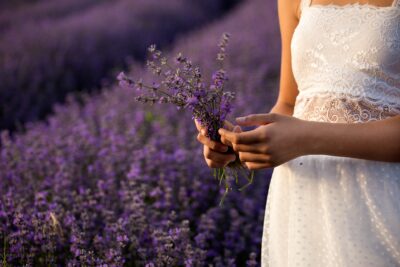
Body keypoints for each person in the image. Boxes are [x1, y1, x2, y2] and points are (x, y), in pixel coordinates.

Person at [195, 0, 400, 265]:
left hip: (380, 197)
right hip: (304, 199)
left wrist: (303, 139)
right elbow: (290, 103)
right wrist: (245, 143)